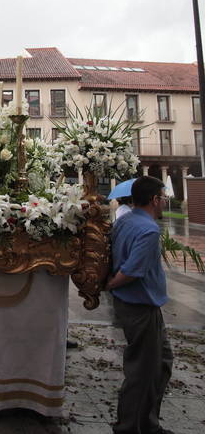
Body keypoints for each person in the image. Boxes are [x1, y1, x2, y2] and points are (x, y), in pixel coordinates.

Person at [106, 175, 174, 434]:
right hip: (141, 305)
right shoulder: (148, 230)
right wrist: (112, 284)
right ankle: (131, 427)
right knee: (144, 370)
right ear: (154, 200)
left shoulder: (125, 221)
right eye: (164, 197)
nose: (165, 202)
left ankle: (147, 421)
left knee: (162, 361)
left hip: (136, 304)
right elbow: (133, 270)